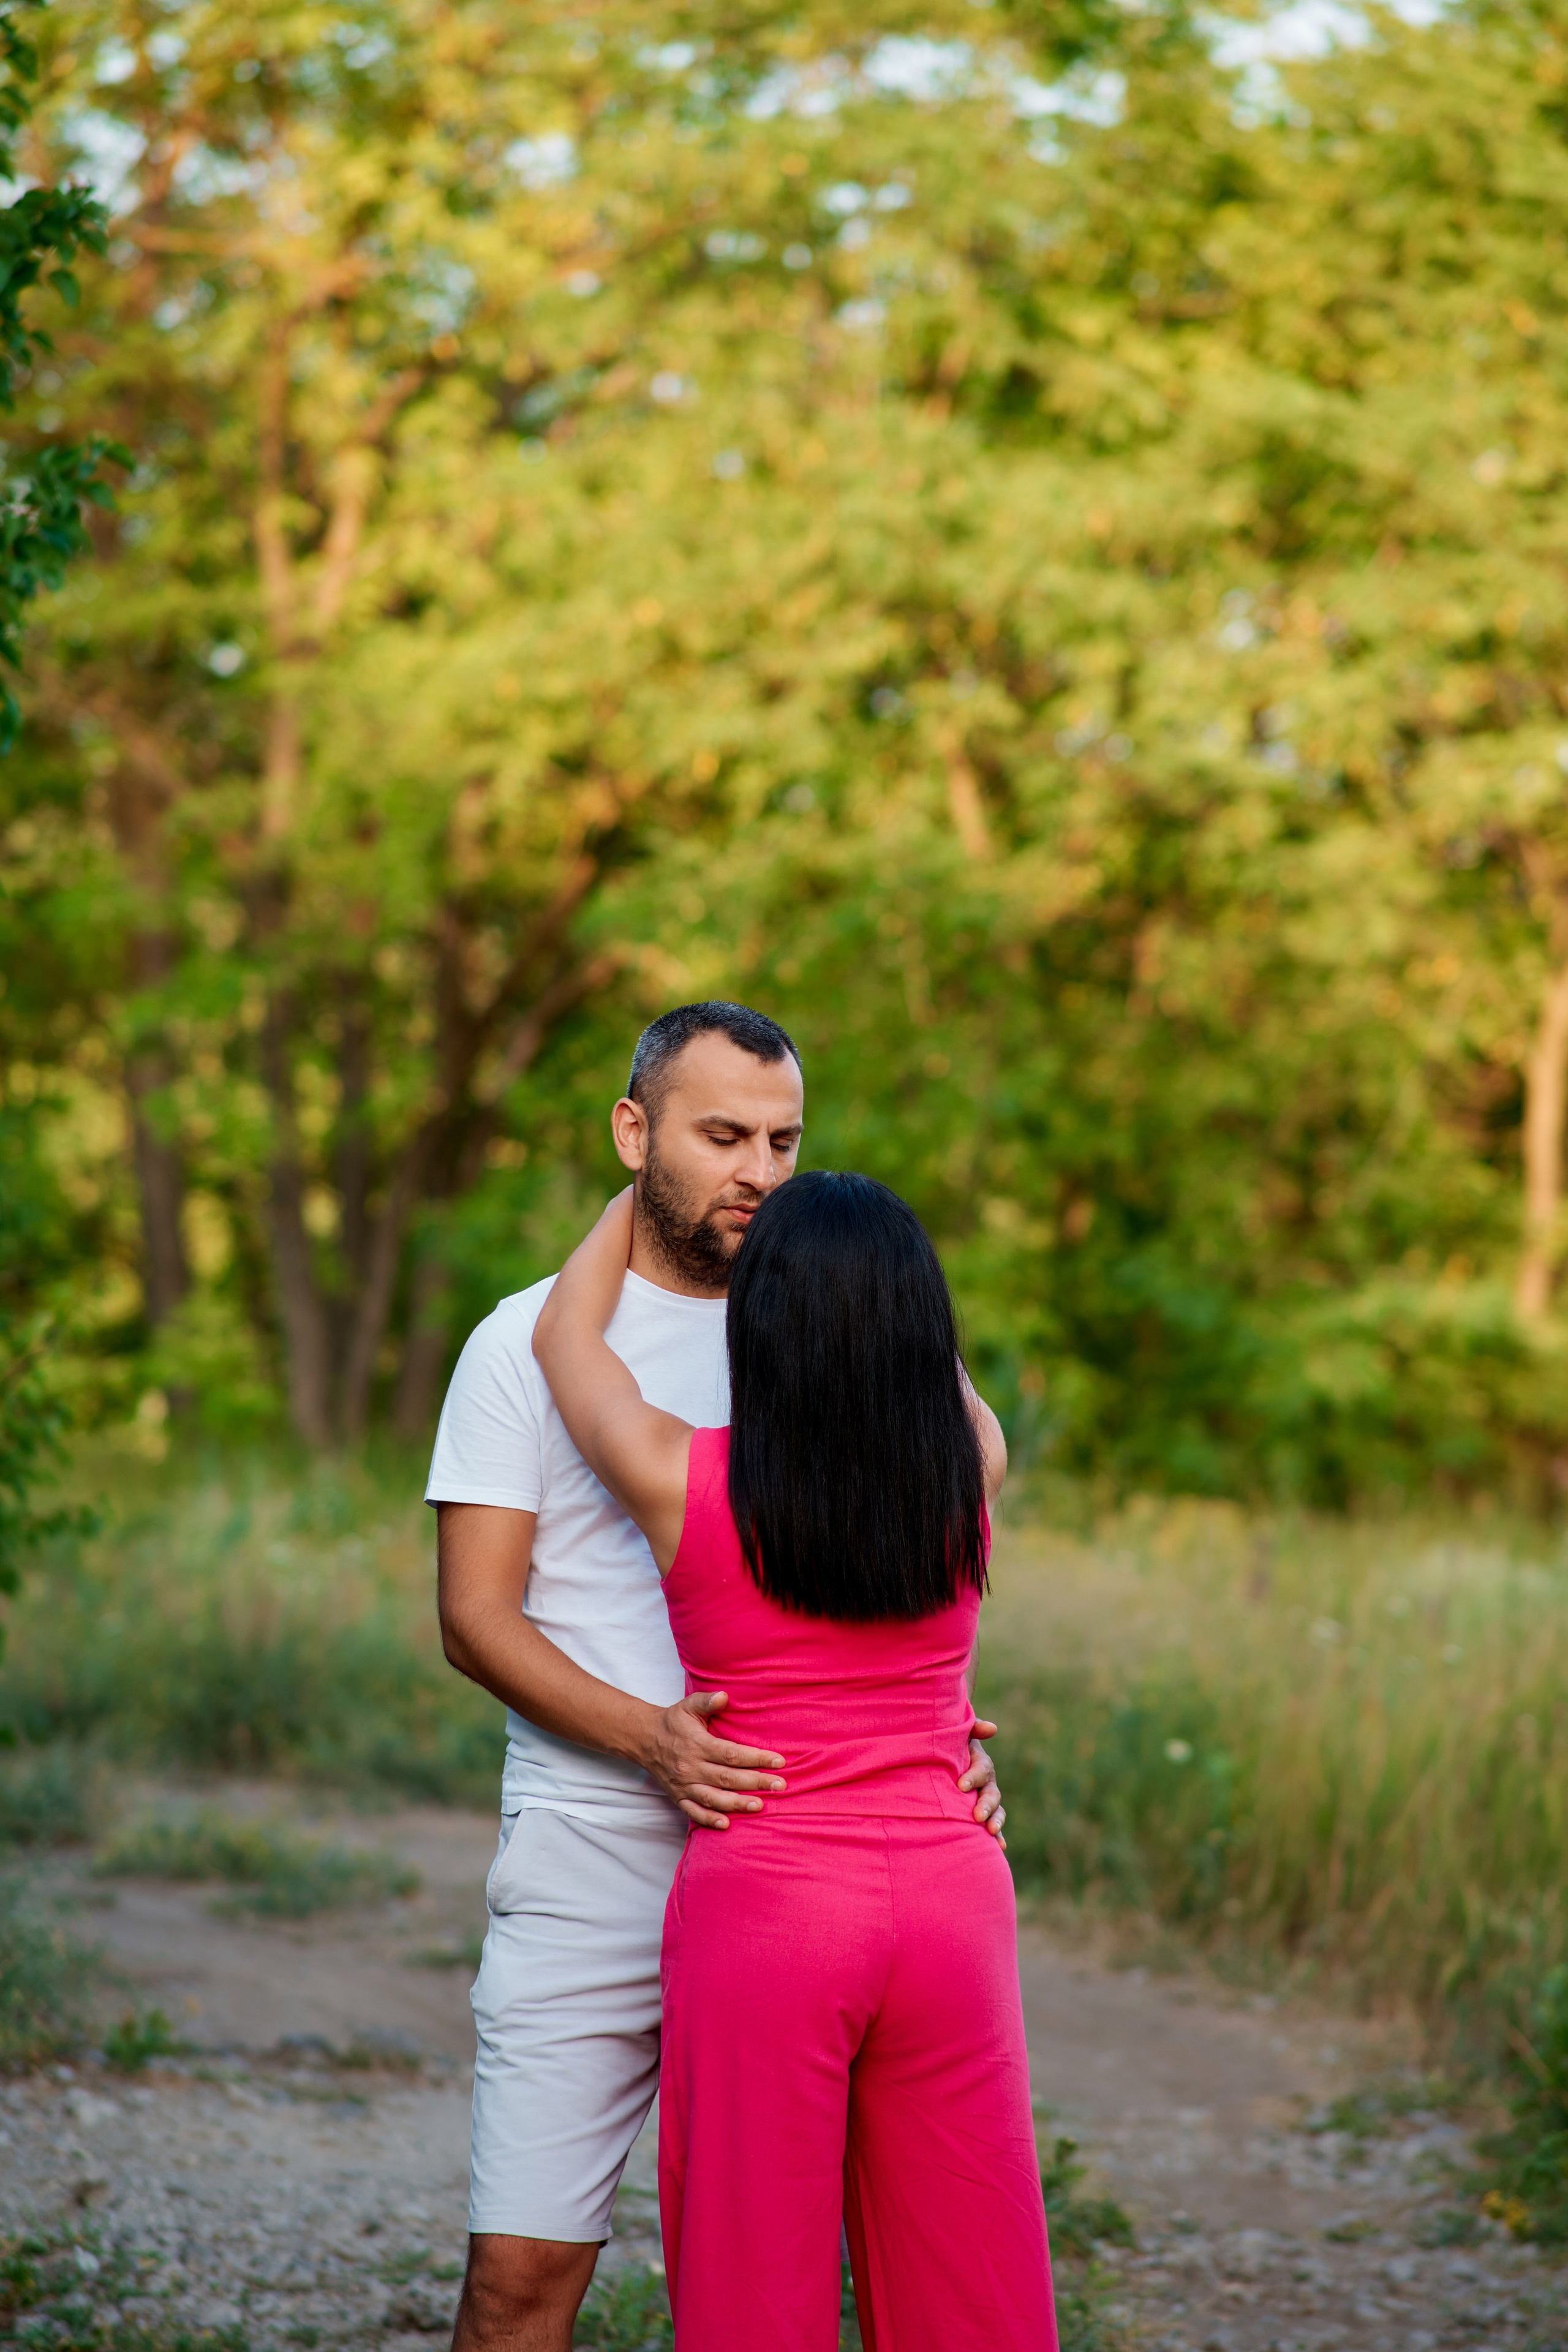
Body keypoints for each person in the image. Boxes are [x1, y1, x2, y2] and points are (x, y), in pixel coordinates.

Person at [427, 1003, 1005, 2351]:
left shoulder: (834, 1330)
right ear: (635, 1133)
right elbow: (472, 1619)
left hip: (794, 1867)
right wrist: (653, 1744)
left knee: (844, 2259)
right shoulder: (521, 1343)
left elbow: (905, 1565)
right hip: (596, 1853)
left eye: (784, 1142)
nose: (758, 1169)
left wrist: (940, 1736)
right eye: (722, 1135)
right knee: (519, 2281)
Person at [531, 1173, 1056, 2350]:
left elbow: (565, 1330)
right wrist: (866, 1246)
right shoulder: (972, 1466)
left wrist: (653, 1179)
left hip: (768, 1911)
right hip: (951, 1899)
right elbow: (929, 1364)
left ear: (760, 1324)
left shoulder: (680, 1480)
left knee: (752, 2292)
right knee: (971, 2286)